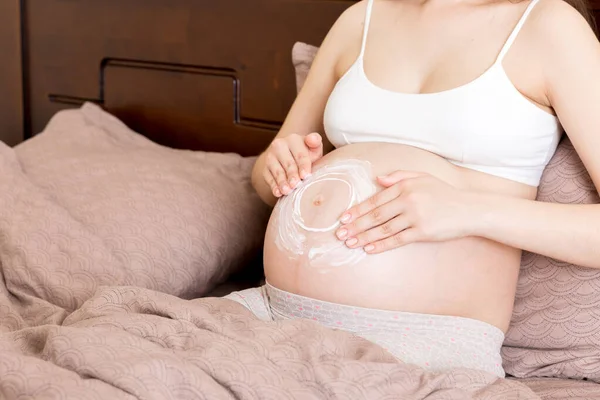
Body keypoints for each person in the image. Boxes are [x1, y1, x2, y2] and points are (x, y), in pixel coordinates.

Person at [225, 0, 600, 378]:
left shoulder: (549, 26)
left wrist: (469, 211)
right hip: (271, 317)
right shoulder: (360, 17)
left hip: (424, 353)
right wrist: (278, 165)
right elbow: (264, 181)